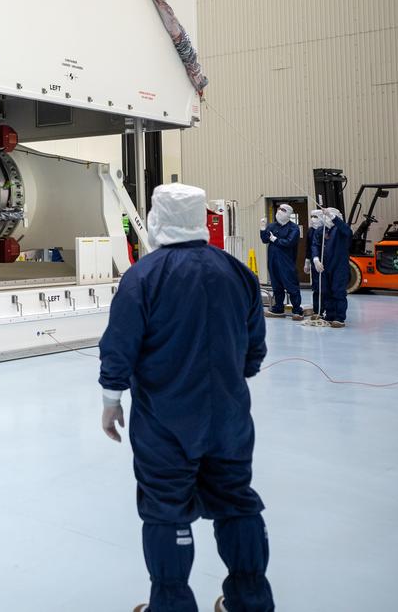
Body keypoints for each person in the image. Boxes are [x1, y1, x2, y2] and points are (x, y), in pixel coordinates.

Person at [100, 183, 273, 612]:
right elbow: (255, 347)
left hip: (166, 420)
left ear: (157, 217)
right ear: (202, 218)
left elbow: (120, 343)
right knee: (236, 499)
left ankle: (172, 604)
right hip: (230, 418)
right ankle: (250, 600)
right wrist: (234, 380)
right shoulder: (237, 272)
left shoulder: (143, 276)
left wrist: (111, 399)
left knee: (165, 508)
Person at [258, 205, 302, 319]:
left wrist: (275, 239)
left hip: (286, 262)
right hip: (273, 261)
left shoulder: (294, 228)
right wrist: (262, 229)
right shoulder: (272, 226)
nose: (279, 212)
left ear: (288, 214)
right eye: (279, 209)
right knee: (276, 286)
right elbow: (264, 240)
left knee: (291, 285)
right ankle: (278, 308)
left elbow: (289, 242)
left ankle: (297, 310)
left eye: (283, 210)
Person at [318, 207, 353, 328]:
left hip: (339, 266)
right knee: (327, 291)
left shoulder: (341, 229)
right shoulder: (326, 231)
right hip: (327, 266)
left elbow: (347, 231)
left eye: (330, 215)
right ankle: (330, 315)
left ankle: (339, 318)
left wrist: (333, 217)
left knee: (338, 292)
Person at [299, 210, 324, 321]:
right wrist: (307, 262)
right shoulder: (310, 231)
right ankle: (318, 311)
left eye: (315, 216)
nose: (313, 218)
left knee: (326, 288)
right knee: (316, 288)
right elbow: (308, 247)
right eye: (311, 216)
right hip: (315, 263)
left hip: (326, 263)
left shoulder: (326, 230)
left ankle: (330, 311)